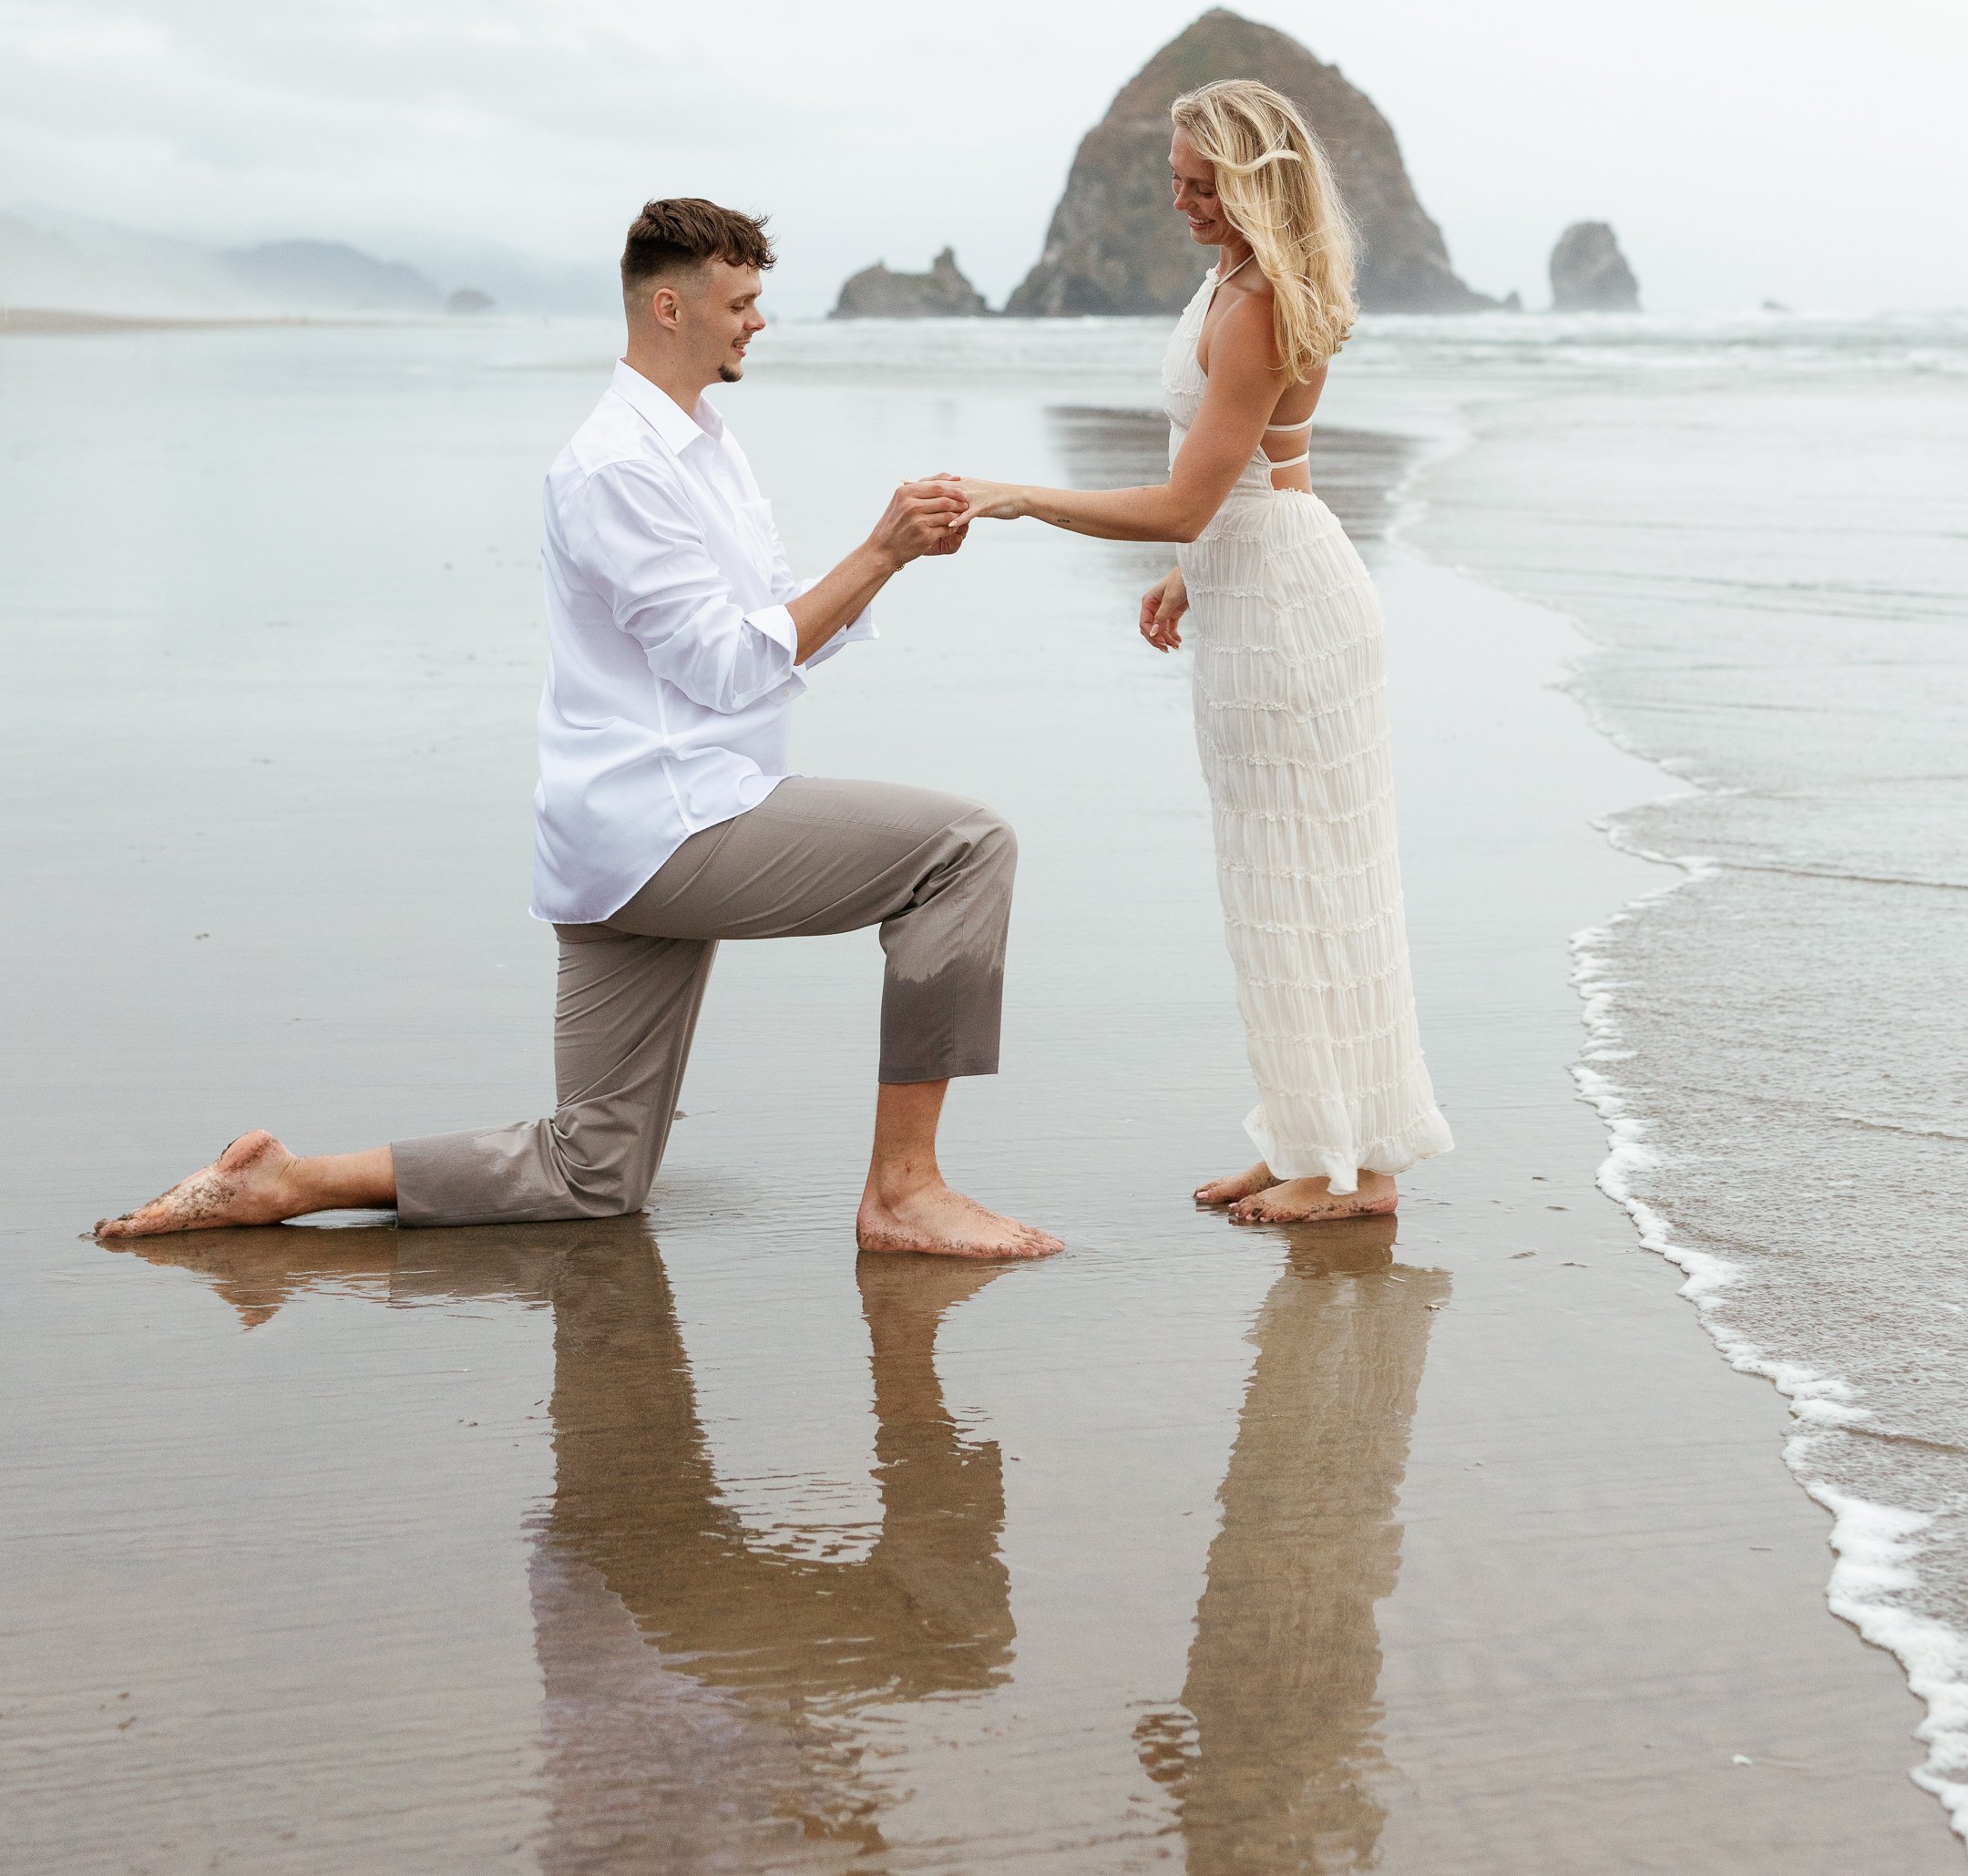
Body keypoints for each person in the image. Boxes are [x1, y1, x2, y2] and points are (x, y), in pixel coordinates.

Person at [97, 197, 1061, 1261]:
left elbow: (772, 623)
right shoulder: (615, 467)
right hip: (674, 823)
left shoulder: (707, 445)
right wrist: (880, 553)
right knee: (966, 849)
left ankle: (281, 1180)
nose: (757, 323)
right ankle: (906, 1190)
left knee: (593, 1172)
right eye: (740, 303)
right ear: (667, 307)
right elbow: (725, 664)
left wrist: (894, 555)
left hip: (631, 836)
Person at [955, 79, 1451, 1225]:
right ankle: (1303, 1139)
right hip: (1255, 585)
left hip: (1289, 614)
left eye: (1199, 183)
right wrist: (1194, 574)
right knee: (1271, 882)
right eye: (1173, 180)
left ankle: (1361, 1174)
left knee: (1323, 886)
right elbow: (1271, 469)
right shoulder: (1227, 277)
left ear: (1254, 180)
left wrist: (1024, 496)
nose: (1179, 201)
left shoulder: (1265, 300)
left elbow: (1186, 498)